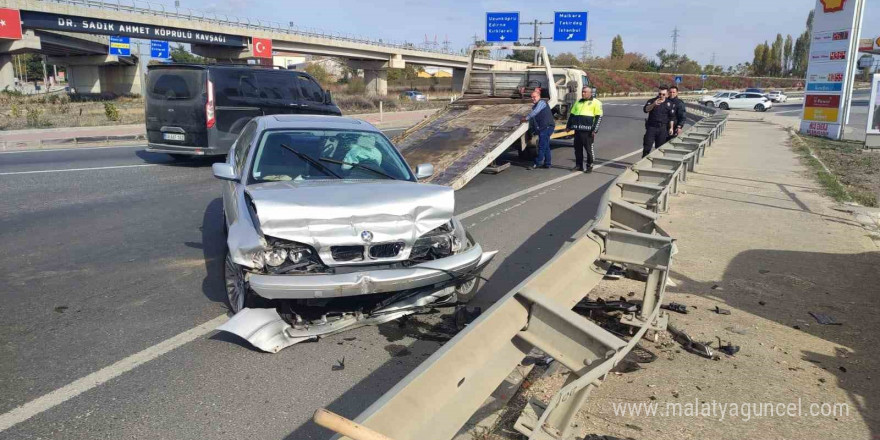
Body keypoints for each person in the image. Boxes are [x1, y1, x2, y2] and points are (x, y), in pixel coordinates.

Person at [566, 86, 603, 172]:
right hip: (578, 130)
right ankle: (579, 165)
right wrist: (568, 126)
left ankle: (589, 166)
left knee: (589, 150)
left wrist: (594, 129)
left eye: (585, 92)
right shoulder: (578, 102)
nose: (583, 93)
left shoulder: (596, 102)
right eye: (582, 92)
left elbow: (599, 117)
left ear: (590, 93)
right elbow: (572, 115)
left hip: (588, 131)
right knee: (577, 149)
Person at [522, 88, 555, 170]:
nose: (533, 98)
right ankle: (547, 163)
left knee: (541, 146)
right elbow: (534, 118)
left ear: (539, 96)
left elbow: (535, 112)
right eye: (532, 97)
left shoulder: (542, 103)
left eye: (534, 97)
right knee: (546, 146)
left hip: (546, 127)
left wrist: (526, 118)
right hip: (543, 128)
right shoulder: (535, 105)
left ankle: (537, 163)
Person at [642, 86, 676, 158]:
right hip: (651, 127)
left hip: (662, 128)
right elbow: (646, 110)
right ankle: (642, 164)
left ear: (667, 94)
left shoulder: (669, 104)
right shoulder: (652, 101)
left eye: (663, 94)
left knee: (659, 148)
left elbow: (672, 117)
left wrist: (671, 128)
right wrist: (654, 104)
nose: (661, 96)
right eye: (660, 94)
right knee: (647, 147)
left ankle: (655, 164)